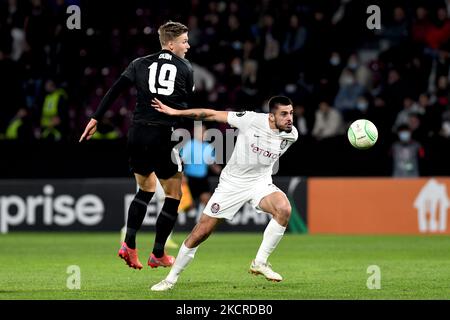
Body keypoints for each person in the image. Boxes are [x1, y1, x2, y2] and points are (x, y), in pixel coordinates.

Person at [149, 96, 298, 291]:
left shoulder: (291, 134)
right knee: (201, 232)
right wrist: (175, 112)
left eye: (291, 113)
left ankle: (260, 262)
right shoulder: (251, 119)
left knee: (284, 208)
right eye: (284, 114)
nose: (290, 118)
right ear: (271, 116)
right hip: (232, 184)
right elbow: (211, 114)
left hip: (260, 183)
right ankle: (170, 279)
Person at [79, 21, 194, 270]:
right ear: (171, 43)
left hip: (137, 134)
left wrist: (95, 118)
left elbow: (114, 90)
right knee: (174, 194)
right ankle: (158, 254)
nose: (188, 45)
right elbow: (185, 108)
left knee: (145, 189)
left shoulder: (139, 63)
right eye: (184, 41)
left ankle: (128, 245)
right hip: (163, 134)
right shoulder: (184, 67)